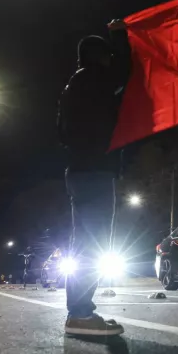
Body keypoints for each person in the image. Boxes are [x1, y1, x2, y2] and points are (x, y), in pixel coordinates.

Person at [56, 20, 131, 336]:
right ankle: (81, 314)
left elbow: (62, 133)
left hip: (79, 171)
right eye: (107, 55)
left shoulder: (73, 86)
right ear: (100, 57)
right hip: (95, 172)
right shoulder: (96, 79)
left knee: (84, 240)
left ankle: (80, 311)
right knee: (93, 242)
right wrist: (121, 34)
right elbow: (126, 71)